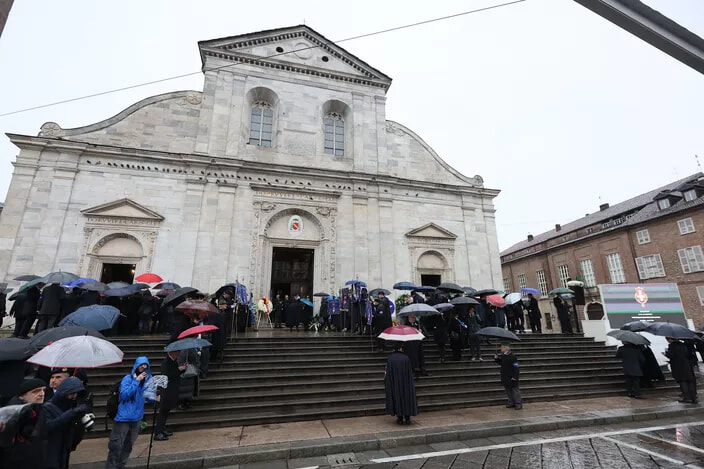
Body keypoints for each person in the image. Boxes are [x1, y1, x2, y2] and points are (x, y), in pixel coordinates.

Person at [106, 357, 152, 469]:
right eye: (141, 365)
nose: (143, 368)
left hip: (136, 418)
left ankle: (120, 466)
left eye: (146, 366)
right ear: (136, 366)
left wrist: (156, 396)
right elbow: (124, 395)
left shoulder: (147, 380)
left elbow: (150, 397)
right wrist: (136, 381)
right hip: (123, 418)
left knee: (128, 446)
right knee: (116, 445)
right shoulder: (128, 378)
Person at [40, 377, 91, 469]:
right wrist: (71, 413)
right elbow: (48, 426)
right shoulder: (47, 408)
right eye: (72, 394)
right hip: (52, 448)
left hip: (65, 447)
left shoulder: (71, 405)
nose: (74, 396)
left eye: (76, 394)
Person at [1, 378, 47, 469]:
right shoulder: (10, 414)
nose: (42, 394)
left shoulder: (39, 409)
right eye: (36, 391)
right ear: (22, 396)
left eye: (43, 390)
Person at [384, 342, 418, 425]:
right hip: (405, 383)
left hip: (395, 383)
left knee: (397, 398)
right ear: (400, 348)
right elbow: (409, 371)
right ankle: (407, 418)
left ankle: (399, 417)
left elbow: (387, 373)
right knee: (406, 398)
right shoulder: (406, 358)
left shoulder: (390, 359)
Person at [155, 351, 185, 441]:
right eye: (177, 353)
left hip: (171, 390)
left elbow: (175, 374)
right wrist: (179, 369)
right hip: (167, 391)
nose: (179, 355)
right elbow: (167, 376)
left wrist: (182, 369)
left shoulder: (173, 361)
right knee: (163, 412)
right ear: (172, 353)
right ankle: (158, 432)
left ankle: (162, 430)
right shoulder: (166, 362)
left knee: (166, 411)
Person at [665, 337, 698, 403]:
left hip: (678, 366)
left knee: (683, 381)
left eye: (667, 339)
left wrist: (666, 353)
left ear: (671, 339)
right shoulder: (683, 345)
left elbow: (671, 355)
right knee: (689, 381)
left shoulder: (672, 346)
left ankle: (687, 397)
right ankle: (693, 397)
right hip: (687, 365)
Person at [495, 343, 522, 410]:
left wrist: (515, 376)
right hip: (505, 376)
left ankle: (518, 403)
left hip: (511, 376)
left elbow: (516, 367)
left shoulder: (513, 356)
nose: (501, 348)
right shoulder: (503, 355)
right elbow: (502, 363)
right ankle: (511, 402)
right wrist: (496, 359)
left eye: (502, 347)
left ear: (506, 348)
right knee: (508, 390)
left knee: (515, 391)